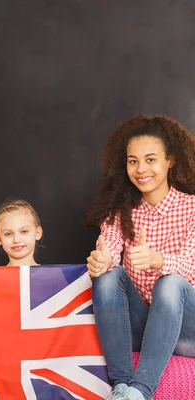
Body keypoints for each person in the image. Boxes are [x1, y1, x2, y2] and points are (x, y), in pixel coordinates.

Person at [86, 115, 195, 400]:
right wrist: (102, 259)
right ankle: (122, 387)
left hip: (186, 330)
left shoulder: (192, 207)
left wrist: (158, 260)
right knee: (107, 276)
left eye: (150, 159)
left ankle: (141, 391)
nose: (141, 169)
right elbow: (108, 246)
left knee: (170, 282)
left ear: (170, 160)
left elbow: (190, 264)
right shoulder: (119, 212)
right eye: (133, 161)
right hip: (140, 329)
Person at [0, 199, 43, 266]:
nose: (16, 240)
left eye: (24, 231)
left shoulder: (53, 275)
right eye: (8, 234)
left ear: (38, 233)